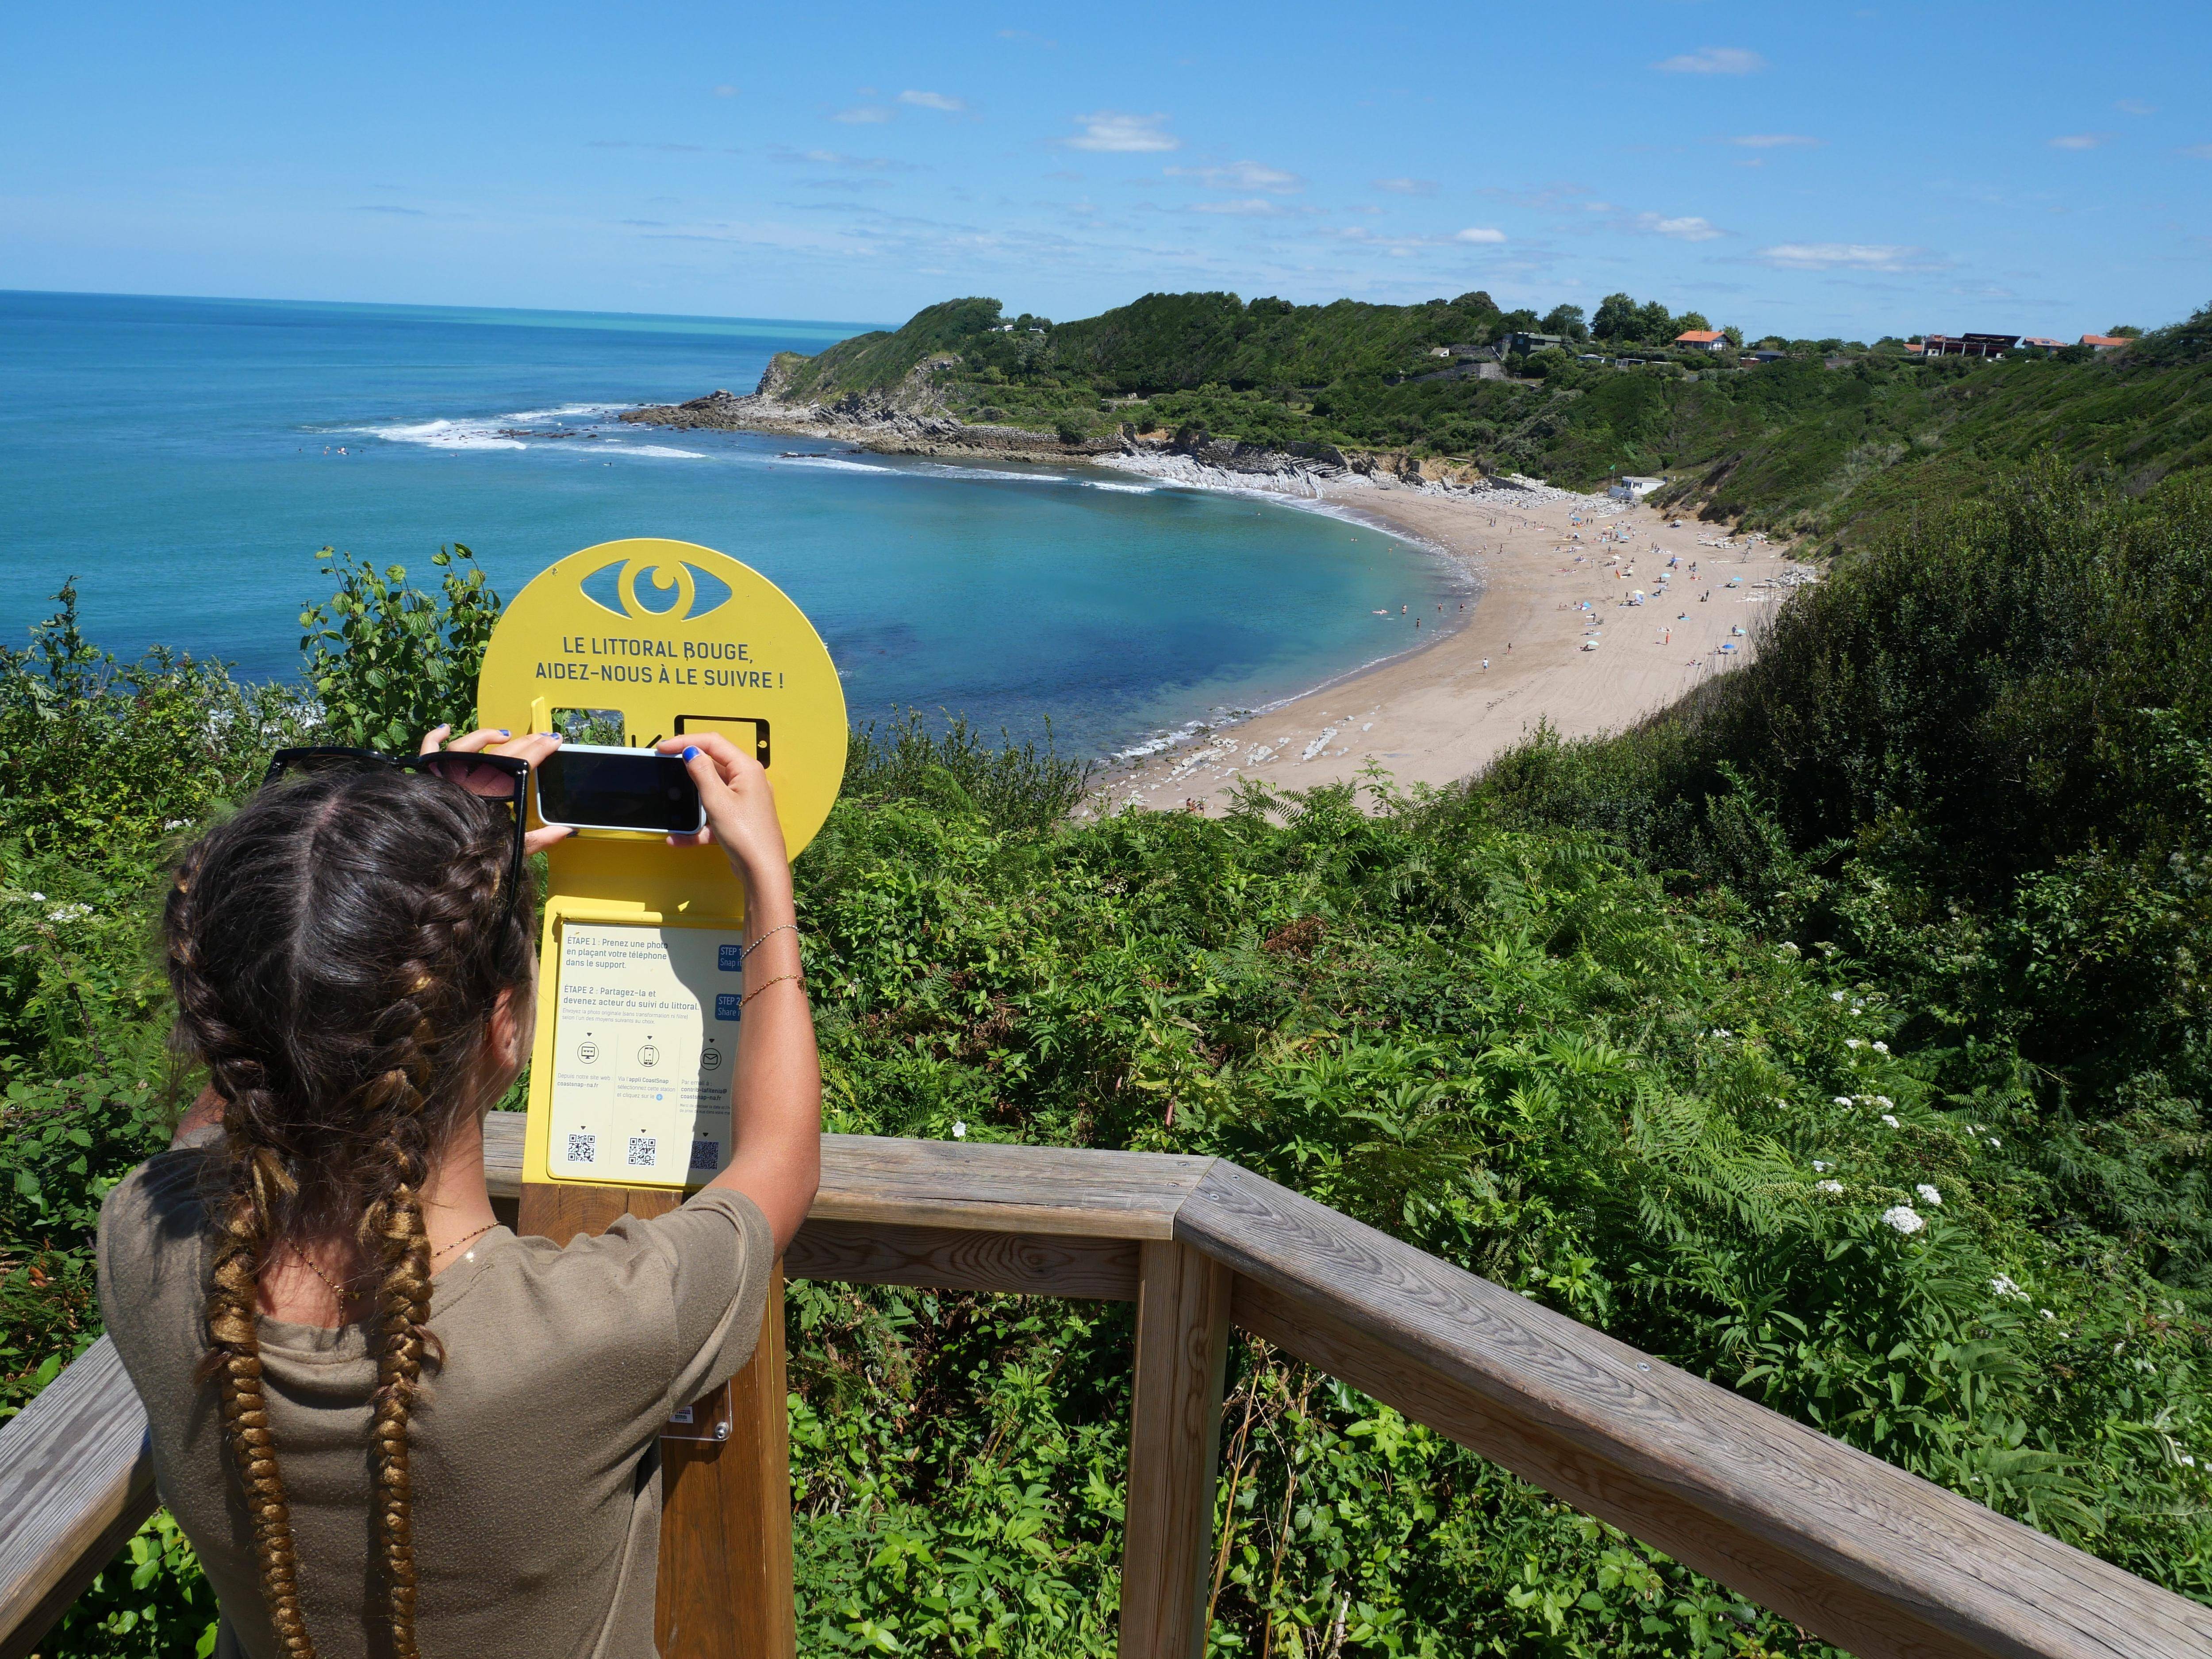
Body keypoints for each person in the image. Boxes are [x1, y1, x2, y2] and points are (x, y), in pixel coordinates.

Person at [97, 726, 820, 1659]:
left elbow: (238, 1070)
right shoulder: (597, 1330)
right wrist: (767, 881)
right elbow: (779, 1163)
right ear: (506, 1028)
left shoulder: (143, 1244)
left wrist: (416, 892)